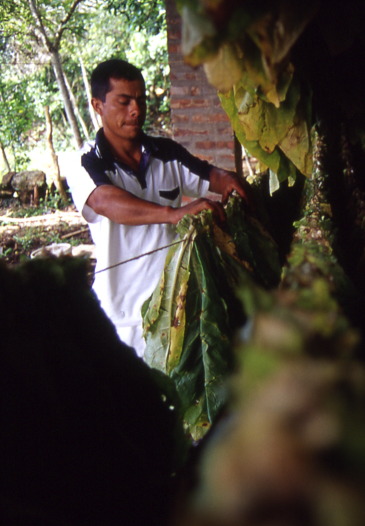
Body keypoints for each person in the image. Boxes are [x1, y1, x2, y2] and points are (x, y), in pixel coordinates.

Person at [66, 58, 249, 357]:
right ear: (97, 106)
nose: (136, 110)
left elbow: (210, 176)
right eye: (123, 102)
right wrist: (174, 213)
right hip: (120, 320)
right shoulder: (86, 161)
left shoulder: (166, 153)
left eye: (140, 100)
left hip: (173, 312)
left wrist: (229, 180)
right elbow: (103, 200)